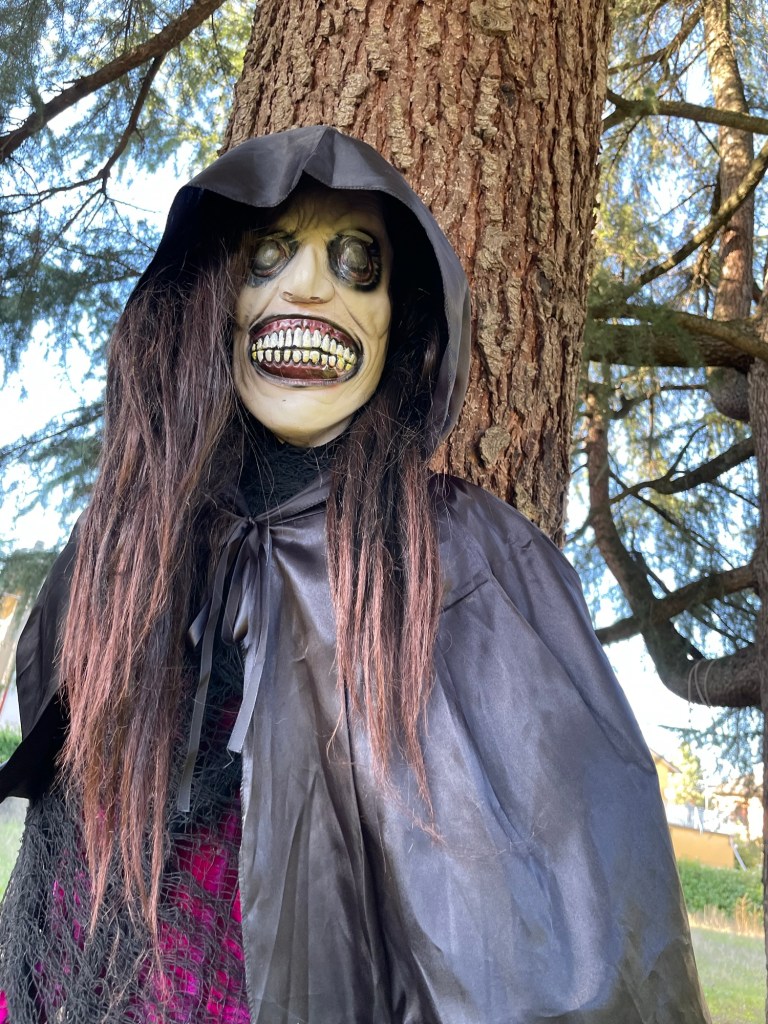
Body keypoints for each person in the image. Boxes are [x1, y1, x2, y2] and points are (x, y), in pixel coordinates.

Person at [0, 125, 709, 1023]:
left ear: (396, 320)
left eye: (356, 264)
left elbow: (566, 912)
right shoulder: (139, 530)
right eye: (269, 255)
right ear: (218, 298)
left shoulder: (464, 555)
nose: (308, 285)